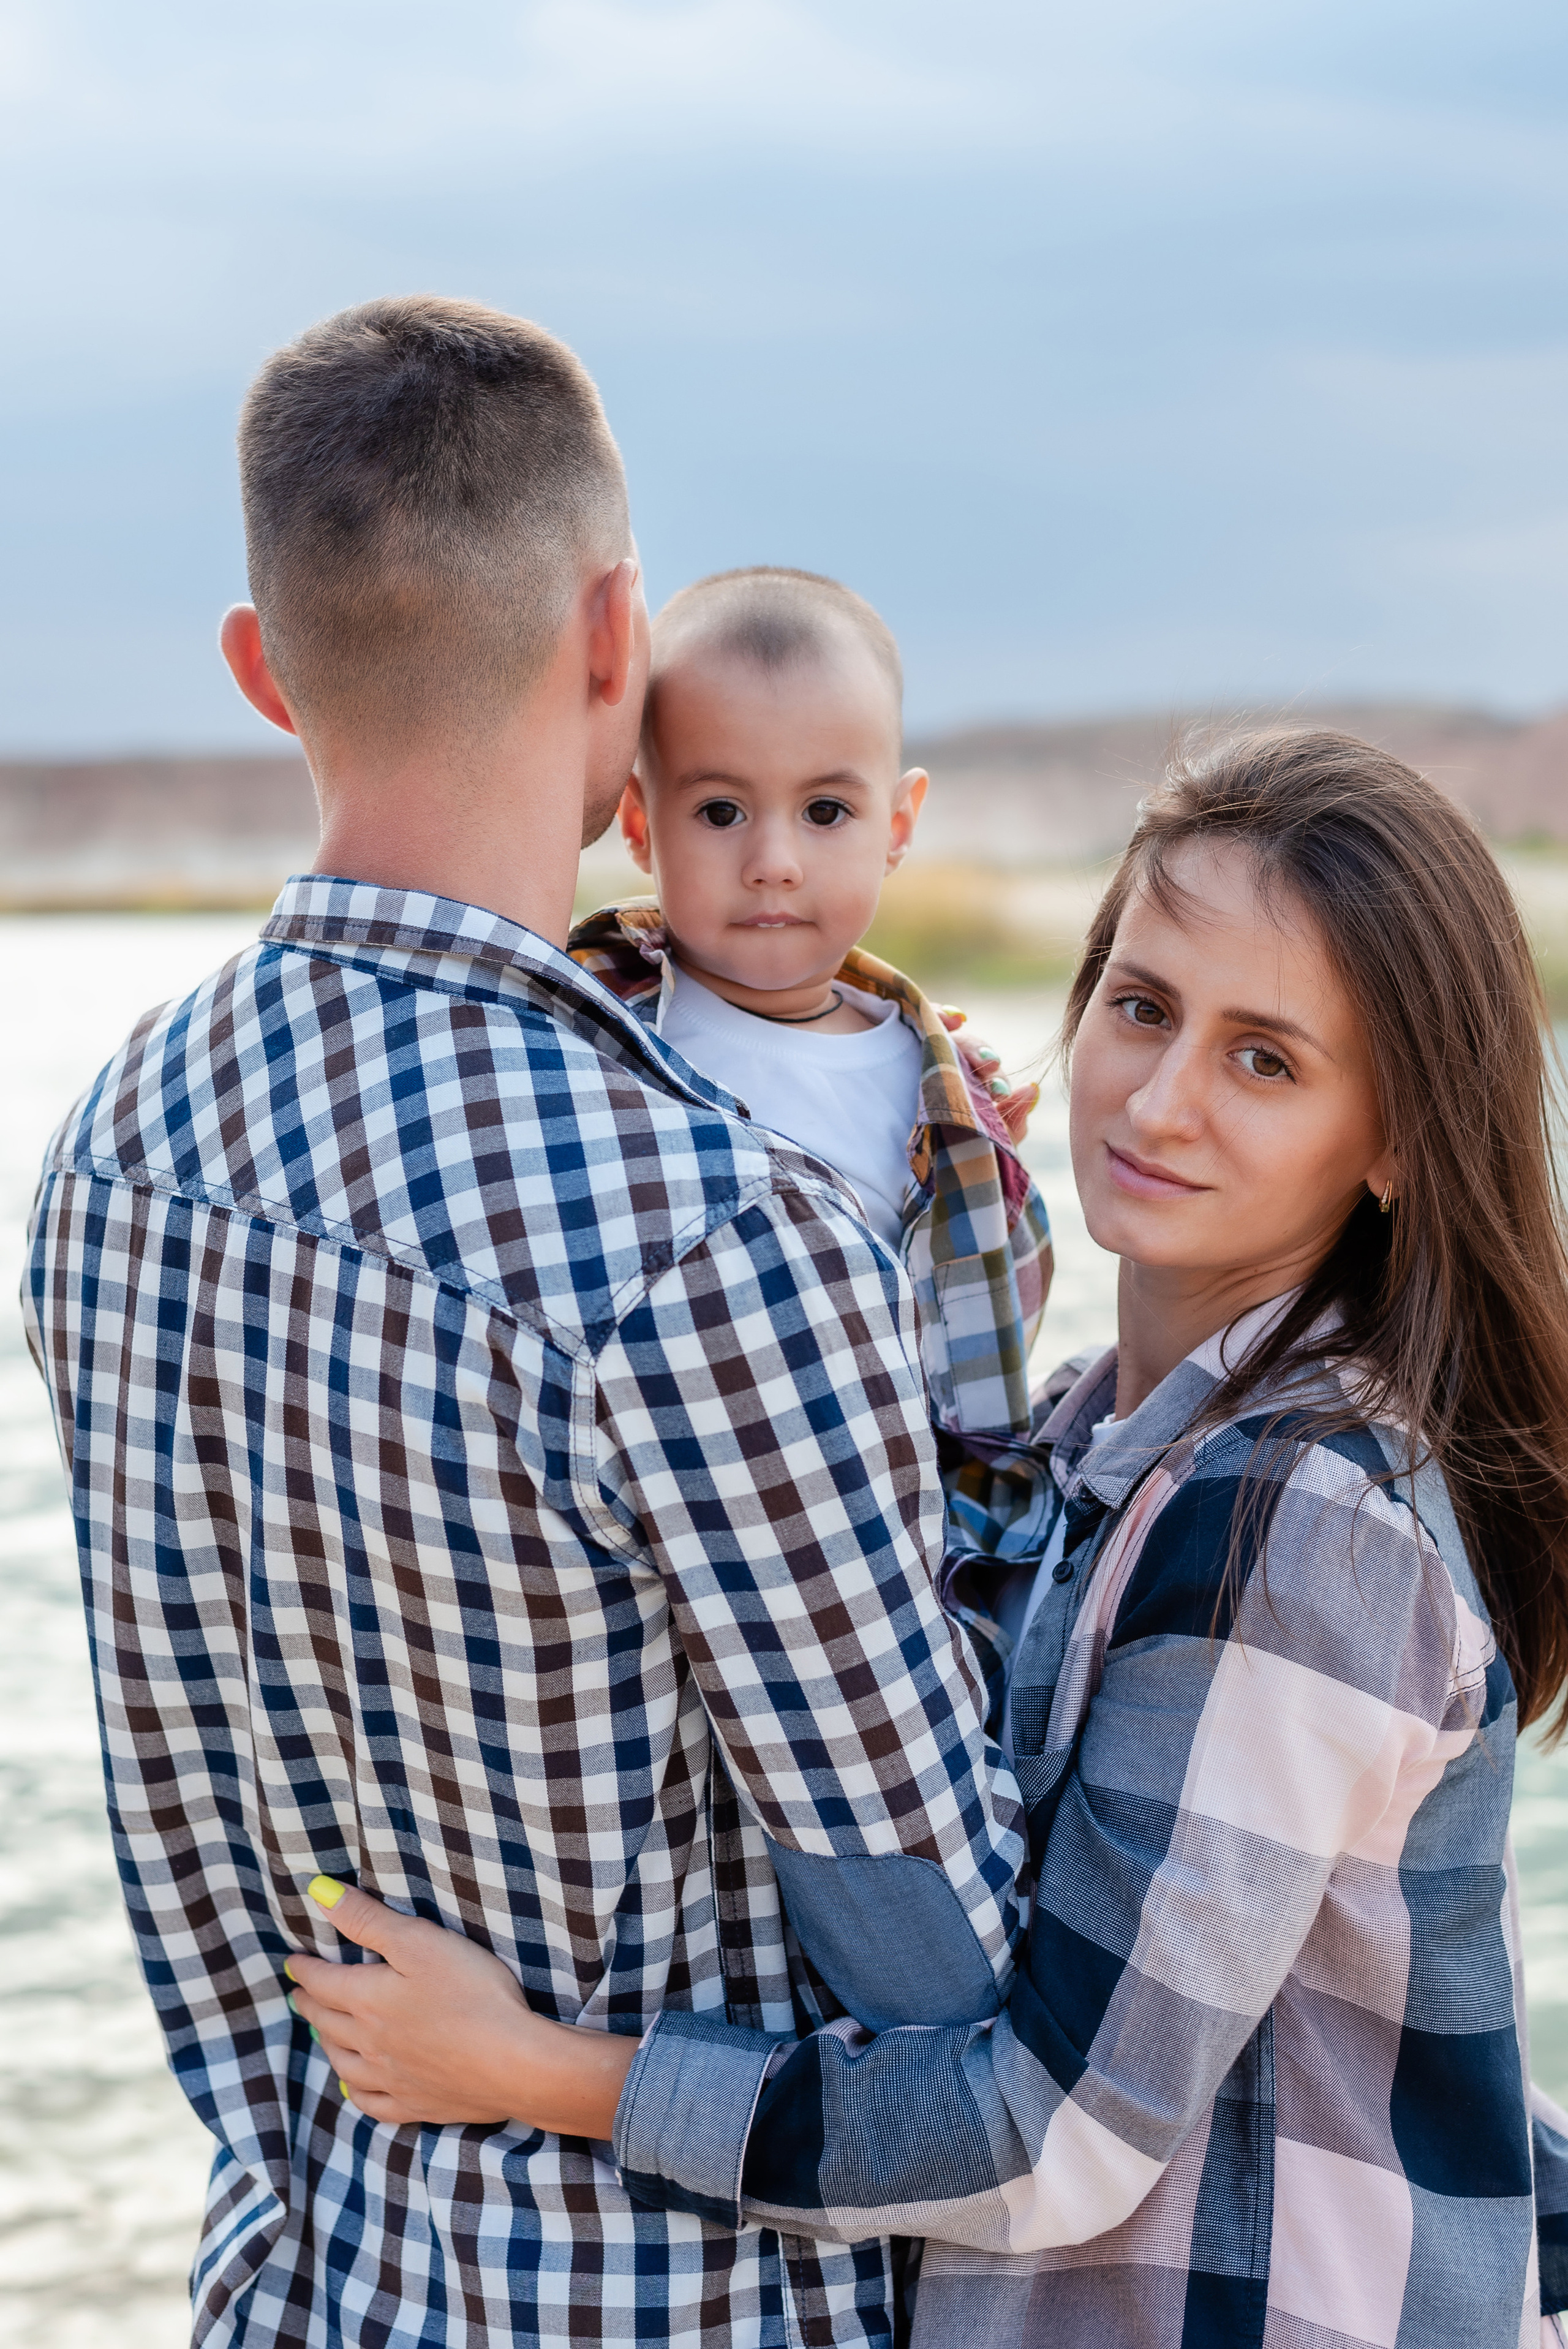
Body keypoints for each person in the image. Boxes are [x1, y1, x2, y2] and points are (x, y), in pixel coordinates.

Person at [23, 297, 1036, 2349]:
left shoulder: (108, 1151)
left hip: (300, 2285)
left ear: (258, 668)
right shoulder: (715, 1237)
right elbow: (953, 1997)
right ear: (612, 644)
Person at [288, 729, 1568, 2348]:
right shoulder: (1089, 1443)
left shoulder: (1299, 1522)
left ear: (1391, 1140)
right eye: (1142, 1006)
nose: (1160, 1099)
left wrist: (538, 2071)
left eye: (1267, 1059)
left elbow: (1060, 2129)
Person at [568, 564, 1054, 1649]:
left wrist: (1001, 1176)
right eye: (721, 809)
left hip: (896, 1572)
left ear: (898, 820)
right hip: (679, 1566)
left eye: (827, 810)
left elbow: (989, 1324)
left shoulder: (941, 1088)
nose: (775, 862)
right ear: (642, 823)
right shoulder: (600, 1049)